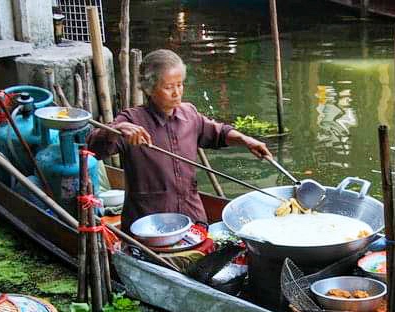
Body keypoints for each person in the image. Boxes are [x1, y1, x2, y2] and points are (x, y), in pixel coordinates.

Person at [87, 49, 272, 232]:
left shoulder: (189, 113)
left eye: (180, 84)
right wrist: (117, 130)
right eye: (168, 87)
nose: (177, 92)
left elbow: (218, 133)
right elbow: (93, 148)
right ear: (149, 89)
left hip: (193, 217)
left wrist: (246, 140)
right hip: (149, 224)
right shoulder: (132, 120)